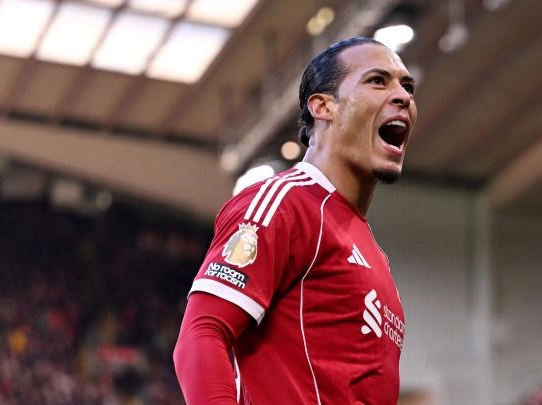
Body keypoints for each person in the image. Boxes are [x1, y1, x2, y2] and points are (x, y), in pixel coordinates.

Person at [173, 36, 417, 404]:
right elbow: (201, 335)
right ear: (323, 107)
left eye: (407, 87)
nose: (403, 96)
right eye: (378, 81)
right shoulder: (285, 203)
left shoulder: (375, 256)